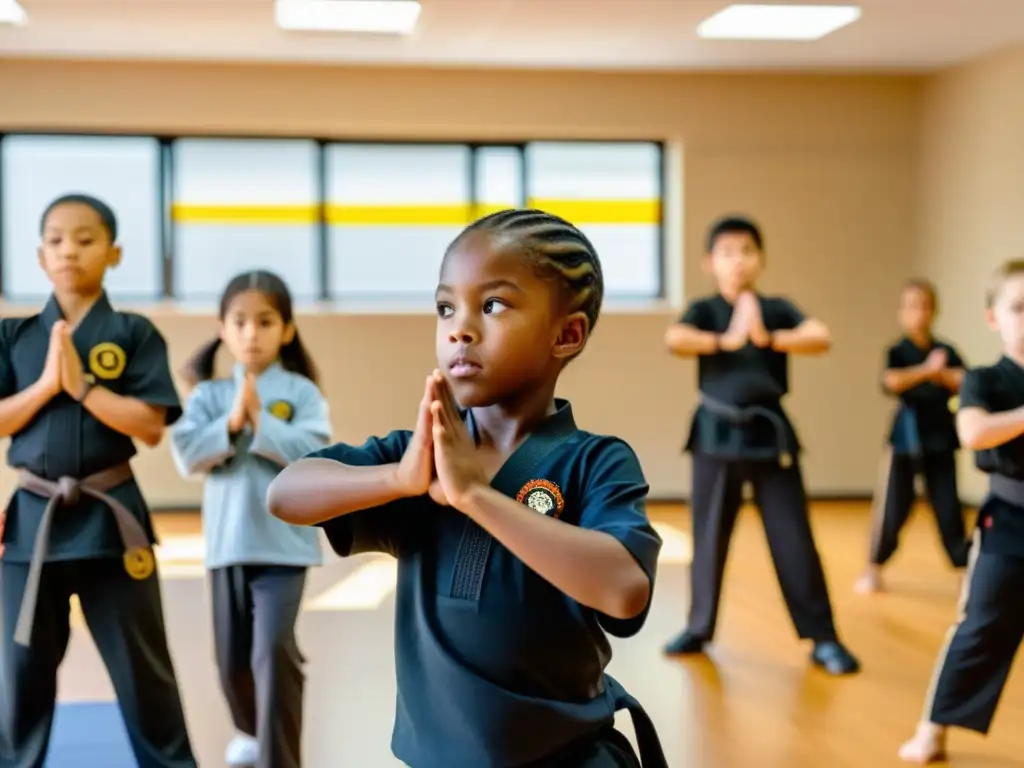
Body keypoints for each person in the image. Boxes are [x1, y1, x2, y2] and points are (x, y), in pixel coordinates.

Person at [267, 209, 668, 768]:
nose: (460, 327)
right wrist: (399, 479)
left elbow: (625, 590)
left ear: (566, 334)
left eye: (493, 305)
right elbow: (285, 493)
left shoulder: (594, 460)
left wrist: (477, 497)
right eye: (445, 308)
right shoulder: (418, 457)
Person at [0, 194, 196, 767]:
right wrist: (46, 385)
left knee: (144, 672)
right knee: (19, 675)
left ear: (113, 252)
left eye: (85, 239)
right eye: (56, 240)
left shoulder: (134, 333)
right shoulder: (15, 337)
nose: (69, 251)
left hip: (113, 519)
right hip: (33, 523)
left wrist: (84, 385)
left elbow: (152, 425)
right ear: (40, 256)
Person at [662, 214, 859, 675]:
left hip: (771, 435)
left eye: (747, 251)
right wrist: (726, 339)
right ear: (710, 262)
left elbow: (820, 336)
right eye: (727, 252)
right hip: (715, 433)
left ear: (761, 259)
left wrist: (769, 337)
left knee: (794, 538)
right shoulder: (704, 310)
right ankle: (698, 627)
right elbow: (675, 339)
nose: (738, 261)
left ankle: (823, 637)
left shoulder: (776, 308)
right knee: (707, 538)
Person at [170, 270, 331, 768]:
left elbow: (315, 454)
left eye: (264, 322)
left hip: (284, 549)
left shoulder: (302, 393)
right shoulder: (210, 396)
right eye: (239, 322)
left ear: (286, 329)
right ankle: (252, 733)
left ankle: (280, 758)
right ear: (222, 328)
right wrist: (233, 422)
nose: (250, 333)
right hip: (226, 549)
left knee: (273, 654)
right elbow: (187, 455)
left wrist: (263, 421)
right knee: (231, 663)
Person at [899, 260, 1024, 764]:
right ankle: (933, 729)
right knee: (979, 627)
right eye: (1018, 307)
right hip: (1009, 523)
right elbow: (973, 432)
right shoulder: (985, 379)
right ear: (993, 318)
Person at [855, 279, 969, 594]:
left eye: (924, 305)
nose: (918, 312)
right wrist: (927, 371)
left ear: (934, 311)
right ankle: (873, 567)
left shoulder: (946, 351)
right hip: (904, 440)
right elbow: (891, 381)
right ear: (902, 312)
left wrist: (940, 372)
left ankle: (964, 570)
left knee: (949, 508)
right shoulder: (898, 351)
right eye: (911, 305)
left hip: (941, 440)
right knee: (892, 509)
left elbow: (964, 380)